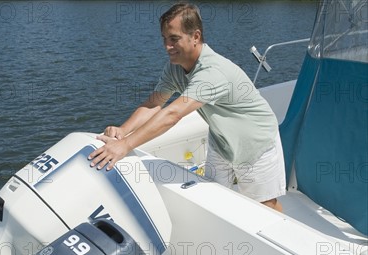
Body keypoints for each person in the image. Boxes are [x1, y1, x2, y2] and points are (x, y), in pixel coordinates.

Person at [89, 3, 286, 211]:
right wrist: (123, 130)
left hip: (255, 142)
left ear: (196, 36)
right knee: (214, 199)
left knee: (265, 207)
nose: (167, 46)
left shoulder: (212, 72)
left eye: (174, 39)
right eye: (164, 39)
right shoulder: (175, 67)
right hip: (222, 141)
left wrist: (126, 145)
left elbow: (172, 114)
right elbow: (154, 103)